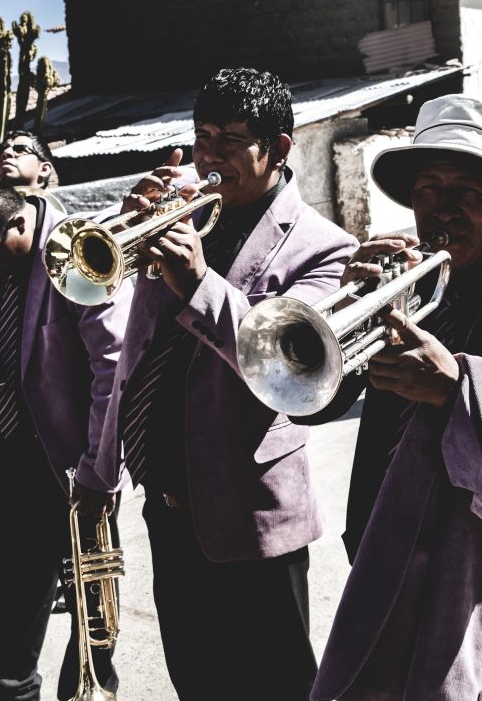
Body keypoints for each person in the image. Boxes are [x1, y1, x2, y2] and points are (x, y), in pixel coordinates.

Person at [295, 94, 482, 701]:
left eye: (468, 191)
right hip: (395, 567)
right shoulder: (393, 290)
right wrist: (340, 314)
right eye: (428, 190)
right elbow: (310, 404)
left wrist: (456, 392)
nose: (443, 209)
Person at [94, 67, 358, 701]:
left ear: (279, 148)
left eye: (231, 141)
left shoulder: (325, 248)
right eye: (202, 136)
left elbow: (290, 361)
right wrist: (128, 241)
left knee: (277, 687)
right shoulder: (182, 214)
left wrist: (199, 281)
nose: (208, 157)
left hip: (251, 514)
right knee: (197, 683)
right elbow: (136, 340)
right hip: (166, 505)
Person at [0, 177, 133, 701]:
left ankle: (87, 690)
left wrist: (99, 472)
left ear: (18, 222)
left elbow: (114, 370)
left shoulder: (81, 249)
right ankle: (6, 692)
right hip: (10, 453)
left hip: (75, 464)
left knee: (91, 593)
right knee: (15, 585)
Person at [0, 130, 64, 611]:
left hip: (62, 441)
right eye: (2, 148)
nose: (6, 152)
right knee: (17, 554)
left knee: (82, 559)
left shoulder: (69, 239)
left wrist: (103, 464)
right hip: (3, 427)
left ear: (45, 169)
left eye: (21, 149)